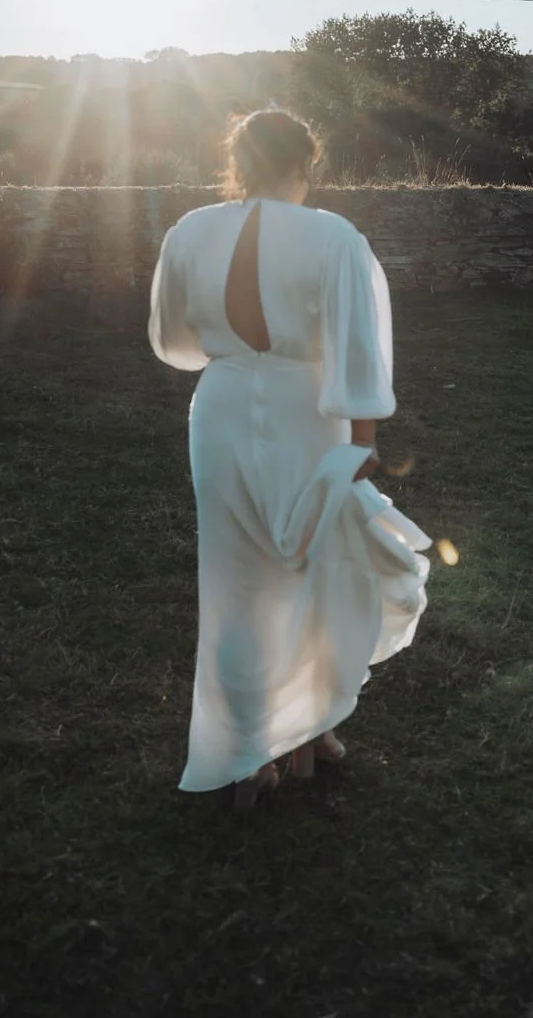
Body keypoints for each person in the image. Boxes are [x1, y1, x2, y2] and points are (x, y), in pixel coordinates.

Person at [148, 108, 430, 811]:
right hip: (309, 413)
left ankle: (258, 754)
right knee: (314, 568)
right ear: (307, 163)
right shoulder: (331, 236)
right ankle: (306, 733)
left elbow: (174, 341)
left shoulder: (190, 231)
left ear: (238, 163)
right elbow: (358, 346)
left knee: (236, 584)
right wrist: (363, 444)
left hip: (218, 410)